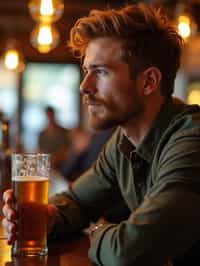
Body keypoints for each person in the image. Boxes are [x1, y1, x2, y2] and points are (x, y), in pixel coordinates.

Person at [2, 3, 200, 266]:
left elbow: (128, 251)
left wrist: (96, 231)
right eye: (86, 71)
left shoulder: (191, 140)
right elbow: (76, 202)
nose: (85, 86)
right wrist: (48, 218)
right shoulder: (123, 142)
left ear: (149, 82)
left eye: (101, 72)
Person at [38, 106, 70, 171]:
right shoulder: (42, 134)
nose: (50, 118)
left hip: (61, 165)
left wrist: (56, 159)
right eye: (48, 115)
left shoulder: (63, 132)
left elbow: (66, 150)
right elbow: (40, 151)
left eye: (51, 115)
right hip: (46, 165)